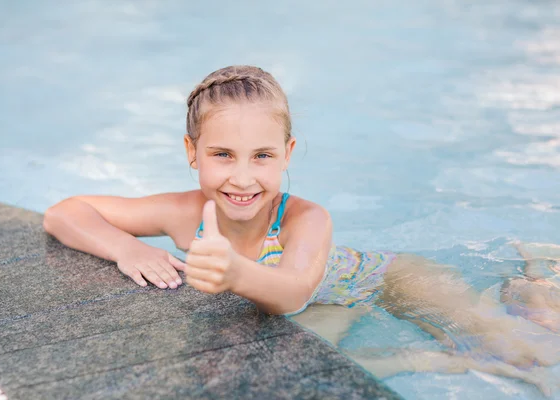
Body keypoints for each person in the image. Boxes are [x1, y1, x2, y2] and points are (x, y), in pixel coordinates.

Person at [43, 65, 560, 393]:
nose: (242, 178)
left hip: (386, 279)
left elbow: (291, 293)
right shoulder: (182, 211)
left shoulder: (306, 218)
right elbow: (64, 212)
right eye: (222, 155)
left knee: (519, 351)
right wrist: (125, 249)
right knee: (280, 383)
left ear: (286, 156)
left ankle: (534, 280)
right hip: (330, 303)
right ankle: (426, 353)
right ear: (190, 152)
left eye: (262, 156)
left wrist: (232, 273)